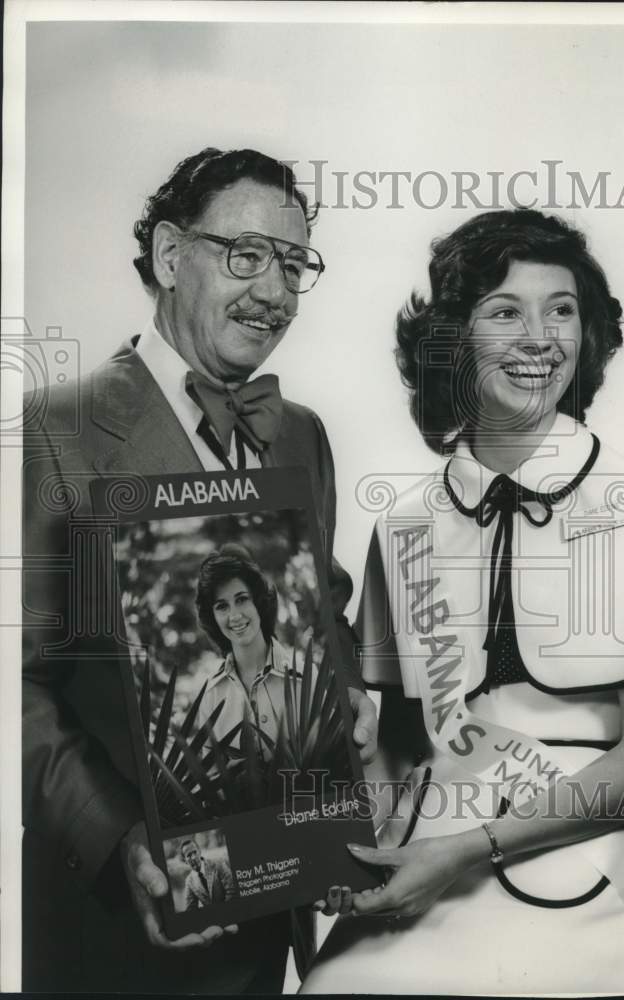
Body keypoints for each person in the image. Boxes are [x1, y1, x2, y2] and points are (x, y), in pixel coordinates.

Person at [300, 209, 624, 994]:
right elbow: (402, 749)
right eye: (505, 311)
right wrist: (363, 834)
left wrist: (463, 849)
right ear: (454, 339)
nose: (541, 338)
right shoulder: (407, 522)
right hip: (422, 861)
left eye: (562, 311)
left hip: (571, 869)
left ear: (588, 338)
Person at [22, 147, 377, 993]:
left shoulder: (301, 433)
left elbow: (322, 611)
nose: (275, 293)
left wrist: (350, 690)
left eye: (294, 265)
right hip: (108, 931)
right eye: (246, 255)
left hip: (274, 913)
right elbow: (14, 684)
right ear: (172, 255)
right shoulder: (48, 430)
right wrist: (120, 840)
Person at [195, 544, 296, 751]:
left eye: (241, 599)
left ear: (258, 601)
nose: (235, 616)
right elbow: (211, 776)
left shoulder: (306, 678)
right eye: (222, 606)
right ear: (212, 617)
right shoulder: (210, 697)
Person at [181, 840, 237, 910]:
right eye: (189, 855)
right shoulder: (189, 882)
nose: (193, 857)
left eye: (195, 852)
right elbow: (190, 908)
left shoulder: (218, 864)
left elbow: (232, 890)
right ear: (185, 861)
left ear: (200, 851)